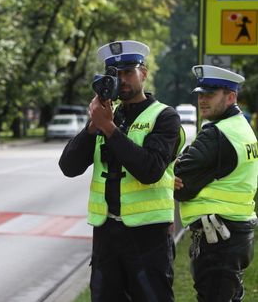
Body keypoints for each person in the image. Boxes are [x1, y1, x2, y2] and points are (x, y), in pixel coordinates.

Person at [59, 40, 184, 302]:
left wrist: (110, 129)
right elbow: (68, 167)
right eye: (114, 74)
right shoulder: (105, 115)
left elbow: (150, 170)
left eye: (128, 72)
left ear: (144, 74)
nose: (122, 80)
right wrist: (93, 127)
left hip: (148, 236)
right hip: (107, 235)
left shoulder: (164, 116)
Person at [174, 65, 258, 302]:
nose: (202, 100)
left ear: (231, 97)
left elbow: (182, 182)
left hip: (219, 241)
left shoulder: (217, 135)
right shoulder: (241, 128)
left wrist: (176, 166)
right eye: (200, 94)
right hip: (236, 235)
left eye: (210, 94)